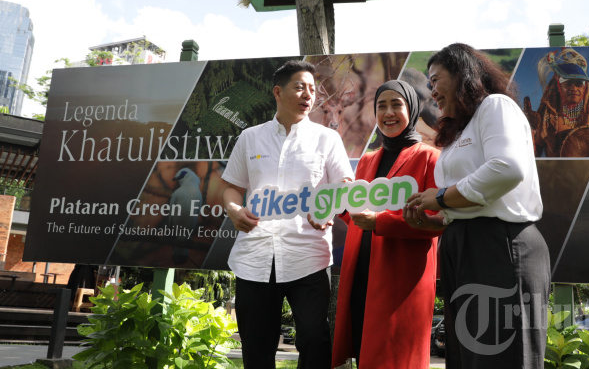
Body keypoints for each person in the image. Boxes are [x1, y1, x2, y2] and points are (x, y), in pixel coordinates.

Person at [404, 43, 551, 368]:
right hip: (463, 248)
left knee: (505, 354)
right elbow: (467, 200)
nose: (432, 91)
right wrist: (436, 220)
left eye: (436, 80)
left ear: (462, 73)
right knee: (469, 357)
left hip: (501, 246)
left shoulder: (495, 106)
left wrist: (440, 197)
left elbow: (507, 169)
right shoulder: (457, 131)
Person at [222, 60, 354, 369]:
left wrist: (329, 208)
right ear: (278, 92)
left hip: (308, 256)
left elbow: (345, 184)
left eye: (312, 89)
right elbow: (231, 188)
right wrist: (234, 209)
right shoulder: (250, 138)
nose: (308, 95)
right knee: (256, 346)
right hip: (254, 258)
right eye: (299, 87)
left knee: (314, 339)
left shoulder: (327, 139)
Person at [332, 80, 441, 369]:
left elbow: (438, 219)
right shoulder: (367, 161)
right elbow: (360, 215)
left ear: (412, 110)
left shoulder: (430, 157)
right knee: (365, 353)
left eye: (396, 105)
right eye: (381, 106)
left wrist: (381, 222)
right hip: (362, 276)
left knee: (397, 357)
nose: (388, 113)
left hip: (402, 280)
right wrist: (342, 207)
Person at [525, 48, 589, 157]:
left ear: (585, 89)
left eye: (579, 84)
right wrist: (530, 132)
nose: (574, 89)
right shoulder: (546, 119)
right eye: (568, 84)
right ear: (558, 87)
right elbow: (534, 156)